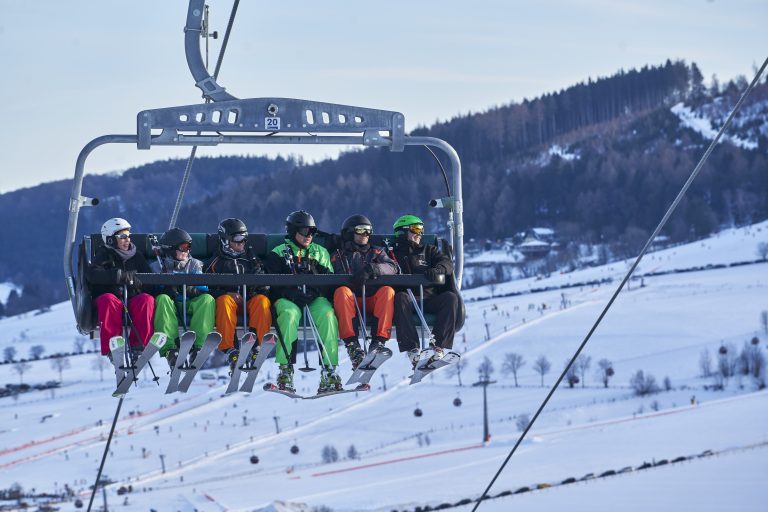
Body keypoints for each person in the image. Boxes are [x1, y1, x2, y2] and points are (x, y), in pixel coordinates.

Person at [266, 210, 340, 393]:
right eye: (305, 231)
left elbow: (330, 280)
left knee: (327, 315)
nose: (309, 236)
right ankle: (285, 369)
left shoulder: (320, 252)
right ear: (293, 231)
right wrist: (291, 292)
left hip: (315, 298)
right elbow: (271, 283)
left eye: (313, 232)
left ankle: (329, 370)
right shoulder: (279, 253)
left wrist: (315, 290)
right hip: (288, 299)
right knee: (289, 315)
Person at [390, 214, 459, 368]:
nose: (419, 233)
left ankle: (438, 347)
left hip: (429, 298)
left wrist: (438, 269)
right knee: (400, 297)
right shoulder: (392, 254)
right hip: (407, 300)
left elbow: (447, 263)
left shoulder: (429, 250)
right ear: (402, 231)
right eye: (415, 229)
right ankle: (413, 350)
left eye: (421, 229)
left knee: (450, 298)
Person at [330, 214, 397, 368]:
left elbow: (393, 267)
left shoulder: (377, 252)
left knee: (387, 291)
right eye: (360, 230)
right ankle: (353, 346)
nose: (365, 234)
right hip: (350, 301)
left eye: (368, 230)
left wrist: (373, 268)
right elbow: (330, 272)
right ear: (349, 233)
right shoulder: (338, 256)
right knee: (342, 291)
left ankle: (378, 342)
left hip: (372, 299)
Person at [205, 218, 272, 369]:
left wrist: (256, 284)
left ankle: (258, 346)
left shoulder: (251, 259)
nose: (242, 243)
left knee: (262, 301)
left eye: (244, 239)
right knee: (224, 301)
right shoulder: (215, 263)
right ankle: (230, 348)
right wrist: (226, 292)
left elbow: (266, 286)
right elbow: (206, 289)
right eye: (238, 238)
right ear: (225, 240)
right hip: (229, 304)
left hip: (249, 301)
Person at [86, 218, 155, 358]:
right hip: (113, 300)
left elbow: (149, 279)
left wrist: (137, 282)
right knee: (108, 300)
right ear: (111, 239)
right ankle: (113, 348)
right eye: (122, 236)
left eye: (128, 236)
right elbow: (92, 274)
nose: (127, 239)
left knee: (146, 300)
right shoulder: (103, 255)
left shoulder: (137, 256)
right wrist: (117, 276)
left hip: (132, 299)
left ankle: (139, 345)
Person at [150, 228, 215, 368]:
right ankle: (170, 349)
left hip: (189, 302)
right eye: (183, 247)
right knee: (162, 299)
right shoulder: (156, 267)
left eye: (189, 247)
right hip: (170, 304)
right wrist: (163, 288)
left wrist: (186, 288)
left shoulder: (194, 264)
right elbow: (149, 290)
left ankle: (198, 347)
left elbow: (202, 289)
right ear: (170, 248)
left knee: (207, 300)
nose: (187, 251)